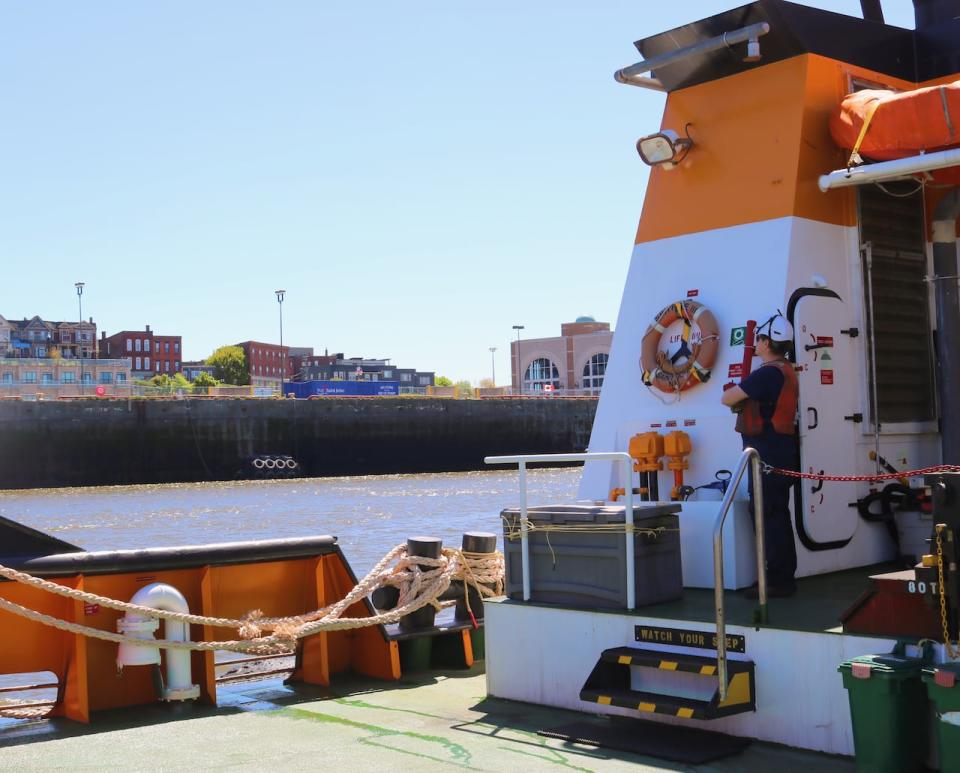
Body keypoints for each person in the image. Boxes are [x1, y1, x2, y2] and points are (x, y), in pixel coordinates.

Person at [720, 312, 799, 597]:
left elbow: (727, 398)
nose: (755, 343)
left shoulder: (767, 374)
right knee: (776, 514)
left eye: (759, 339)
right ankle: (779, 577)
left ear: (766, 342)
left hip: (766, 456)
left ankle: (778, 581)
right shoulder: (784, 370)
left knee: (768, 515)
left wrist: (735, 391)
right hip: (778, 453)